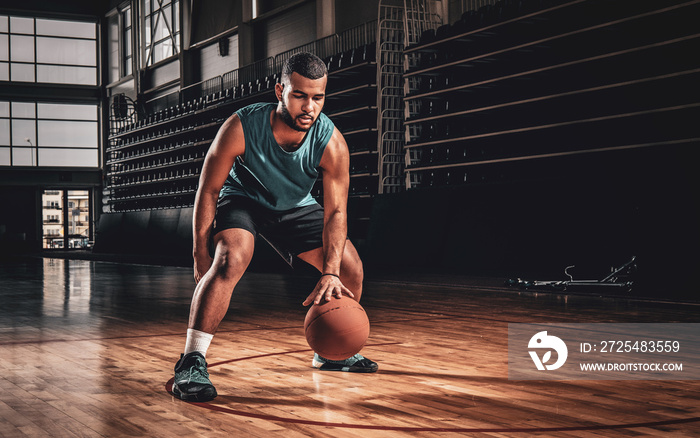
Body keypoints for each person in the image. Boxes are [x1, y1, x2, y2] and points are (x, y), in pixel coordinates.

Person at [172, 52, 378, 402]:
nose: (309, 107)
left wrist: (330, 272)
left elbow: (336, 213)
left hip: (295, 207)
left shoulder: (332, 142)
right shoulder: (241, 127)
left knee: (350, 268)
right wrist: (199, 251)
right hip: (244, 200)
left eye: (318, 97)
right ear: (280, 90)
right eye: (299, 95)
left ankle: (330, 352)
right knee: (231, 259)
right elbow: (209, 188)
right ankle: (192, 360)